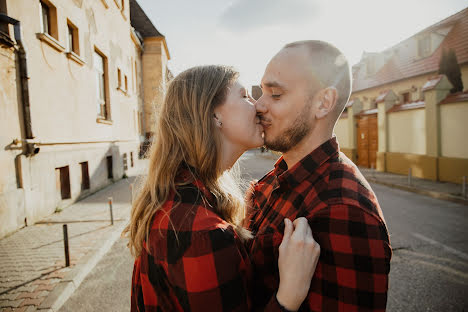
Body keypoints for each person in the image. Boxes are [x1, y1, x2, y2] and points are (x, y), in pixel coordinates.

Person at [124, 65, 321, 312]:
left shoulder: (183, 199)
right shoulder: (203, 233)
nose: (258, 106)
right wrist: (289, 297)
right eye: (244, 96)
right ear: (214, 115)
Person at [246, 40, 392, 311]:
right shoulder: (273, 180)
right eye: (262, 92)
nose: (259, 105)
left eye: (275, 95)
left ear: (323, 103)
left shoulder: (345, 211)